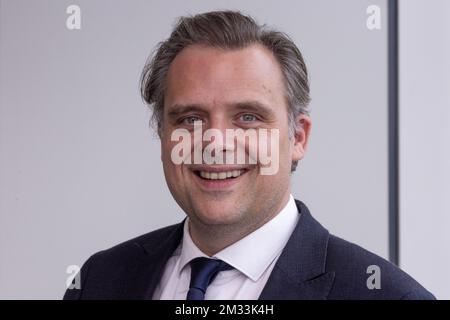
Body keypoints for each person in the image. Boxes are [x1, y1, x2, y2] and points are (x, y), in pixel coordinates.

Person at [64, 10, 434, 300]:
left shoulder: (388, 295)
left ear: (298, 137)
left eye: (248, 117)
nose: (216, 141)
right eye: (190, 118)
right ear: (162, 135)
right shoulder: (99, 280)